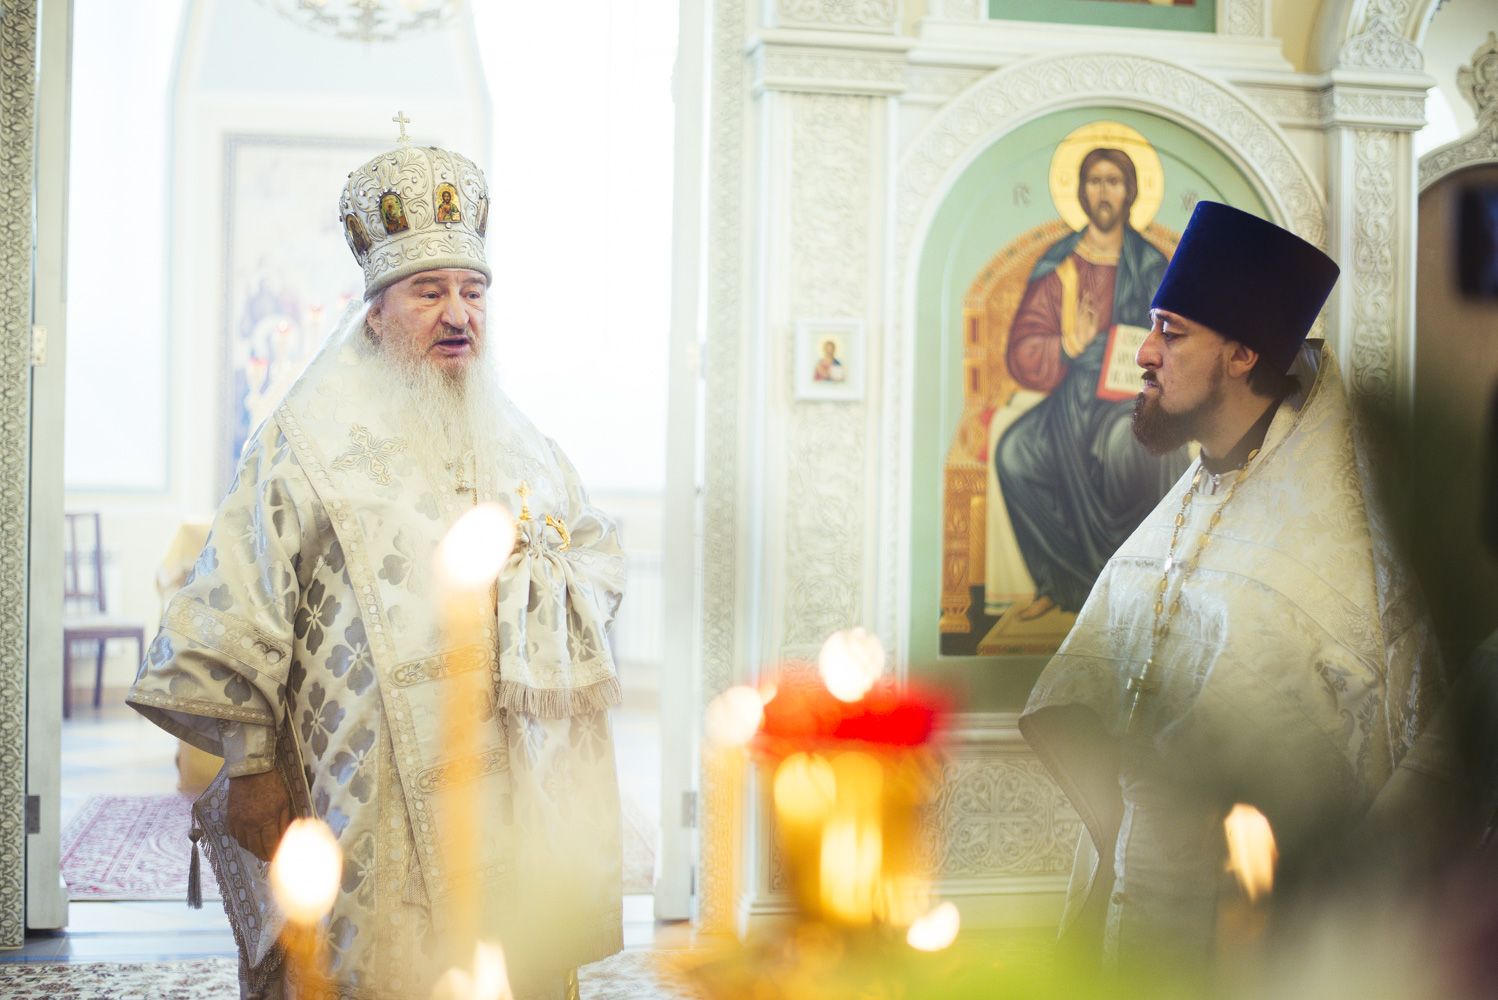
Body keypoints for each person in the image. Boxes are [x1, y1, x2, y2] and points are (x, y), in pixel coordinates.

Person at [129, 131, 626, 1000]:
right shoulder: (305, 439)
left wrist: (551, 579)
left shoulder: (524, 443)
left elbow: (593, 554)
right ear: (375, 311)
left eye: (473, 291)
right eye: (429, 292)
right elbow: (239, 598)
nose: (458, 314)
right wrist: (251, 765)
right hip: (359, 787)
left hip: (506, 790)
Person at [1019, 202, 1447, 974]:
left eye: (1172, 331)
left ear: (1243, 354)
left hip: (1258, 936)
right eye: (1152, 327)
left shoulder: (1348, 544)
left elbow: (1410, 753)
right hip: (1131, 895)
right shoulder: (1186, 504)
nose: (1144, 352)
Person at [993, 148, 1188, 622]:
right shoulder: (1059, 265)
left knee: (1126, 449)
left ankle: (1133, 585)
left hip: (1133, 397)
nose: (1104, 192)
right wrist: (1066, 344)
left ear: (1130, 192)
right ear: (1080, 192)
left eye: (1113, 181)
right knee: (1015, 453)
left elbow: (1179, 334)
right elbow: (1022, 349)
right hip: (1071, 396)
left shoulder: (1150, 264)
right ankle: (1059, 582)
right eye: (1095, 181)